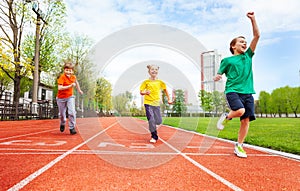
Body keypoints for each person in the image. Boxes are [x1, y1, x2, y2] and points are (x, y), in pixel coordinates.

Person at [213, 12, 260, 158]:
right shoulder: (227, 61)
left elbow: (257, 36)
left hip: (248, 92)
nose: (244, 43)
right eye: (241, 41)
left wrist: (253, 19)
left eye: (245, 42)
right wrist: (218, 75)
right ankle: (226, 116)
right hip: (232, 90)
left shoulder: (248, 56)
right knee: (239, 111)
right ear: (233, 46)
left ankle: (239, 146)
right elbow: (220, 72)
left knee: (245, 120)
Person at [140, 65, 173, 143]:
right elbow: (141, 92)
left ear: (157, 71)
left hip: (156, 104)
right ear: (149, 71)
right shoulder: (146, 82)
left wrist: (169, 99)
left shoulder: (160, 82)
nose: (154, 71)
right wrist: (145, 92)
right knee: (151, 120)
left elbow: (165, 90)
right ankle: (154, 136)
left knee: (158, 121)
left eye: (155, 69)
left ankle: (154, 124)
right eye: (152, 69)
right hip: (148, 103)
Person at [56, 61, 83, 135]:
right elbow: (59, 88)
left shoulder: (73, 77)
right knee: (61, 114)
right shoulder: (62, 77)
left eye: (70, 70)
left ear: (72, 71)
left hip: (70, 97)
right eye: (67, 70)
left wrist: (79, 90)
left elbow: (76, 82)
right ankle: (62, 122)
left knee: (72, 112)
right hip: (60, 98)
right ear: (64, 70)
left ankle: (72, 127)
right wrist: (70, 86)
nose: (68, 72)